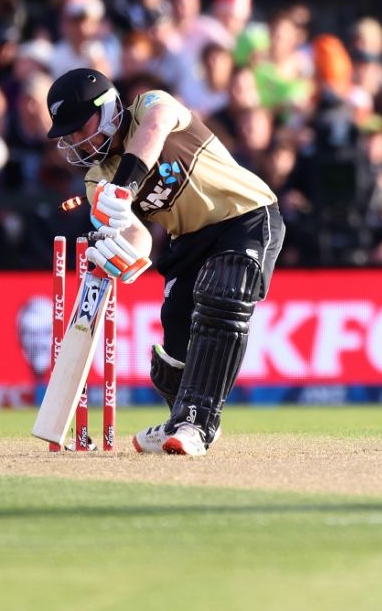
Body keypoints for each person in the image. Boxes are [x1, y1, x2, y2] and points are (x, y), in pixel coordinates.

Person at [46, 67, 283, 456]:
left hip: (244, 215)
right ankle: (181, 419)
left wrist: (124, 188)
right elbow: (137, 235)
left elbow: (156, 128)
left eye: (79, 126)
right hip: (187, 240)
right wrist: (122, 254)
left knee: (224, 294)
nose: (75, 140)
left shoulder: (151, 105)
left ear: (107, 109)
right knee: (173, 346)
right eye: (68, 134)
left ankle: (198, 424)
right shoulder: (96, 179)